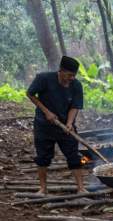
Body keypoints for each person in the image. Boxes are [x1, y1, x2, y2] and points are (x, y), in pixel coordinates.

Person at [26, 56, 85, 195]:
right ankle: (43, 188)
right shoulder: (44, 79)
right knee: (43, 157)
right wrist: (47, 112)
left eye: (74, 75)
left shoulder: (76, 85)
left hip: (65, 127)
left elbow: (75, 106)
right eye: (69, 75)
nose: (72, 78)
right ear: (61, 71)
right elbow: (30, 94)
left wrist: (70, 123)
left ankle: (81, 188)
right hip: (43, 126)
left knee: (75, 157)